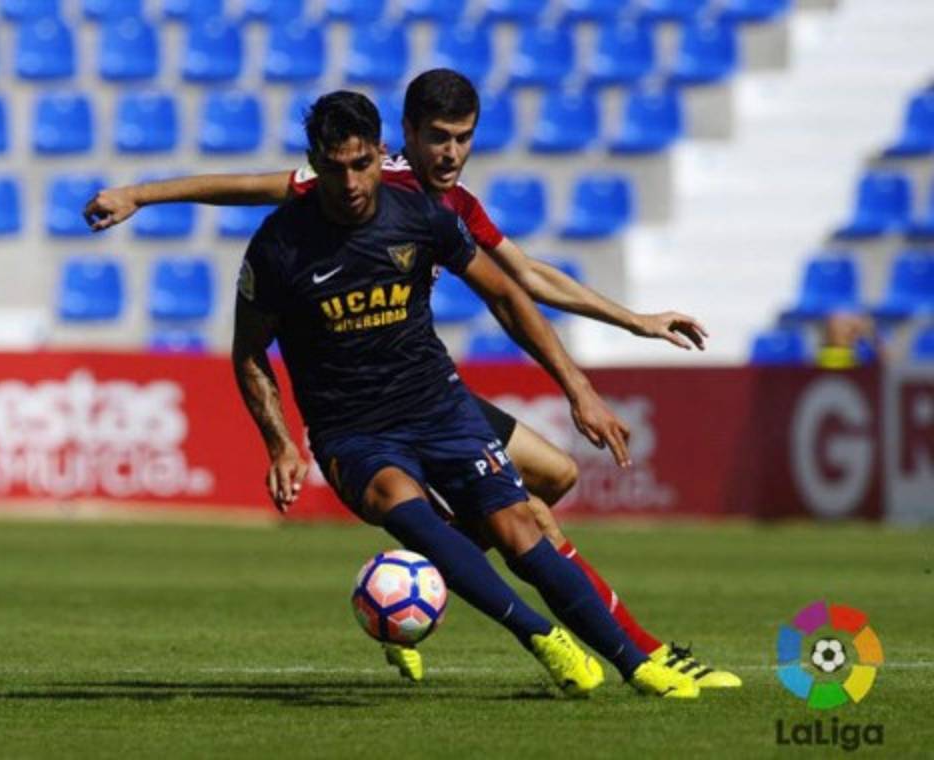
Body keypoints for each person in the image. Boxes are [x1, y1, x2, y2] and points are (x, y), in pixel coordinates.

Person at [83, 69, 739, 690]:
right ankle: (639, 650)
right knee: (519, 516)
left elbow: (523, 280)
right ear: (406, 135)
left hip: (425, 391)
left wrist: (631, 323)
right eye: (437, 137)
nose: (450, 153)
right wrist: (139, 194)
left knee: (553, 480)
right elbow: (245, 187)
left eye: (463, 138)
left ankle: (415, 585)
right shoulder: (356, 180)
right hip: (360, 409)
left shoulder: (451, 207)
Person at [228, 90, 698, 699]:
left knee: (520, 525)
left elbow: (507, 293)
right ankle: (541, 637)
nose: (349, 182)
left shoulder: (420, 216)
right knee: (403, 501)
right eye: (334, 167)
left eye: (361, 164)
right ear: (315, 162)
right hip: (353, 428)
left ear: (378, 154)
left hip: (438, 405)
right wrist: (281, 444)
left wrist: (578, 385)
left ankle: (637, 664)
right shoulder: (278, 247)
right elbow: (248, 353)